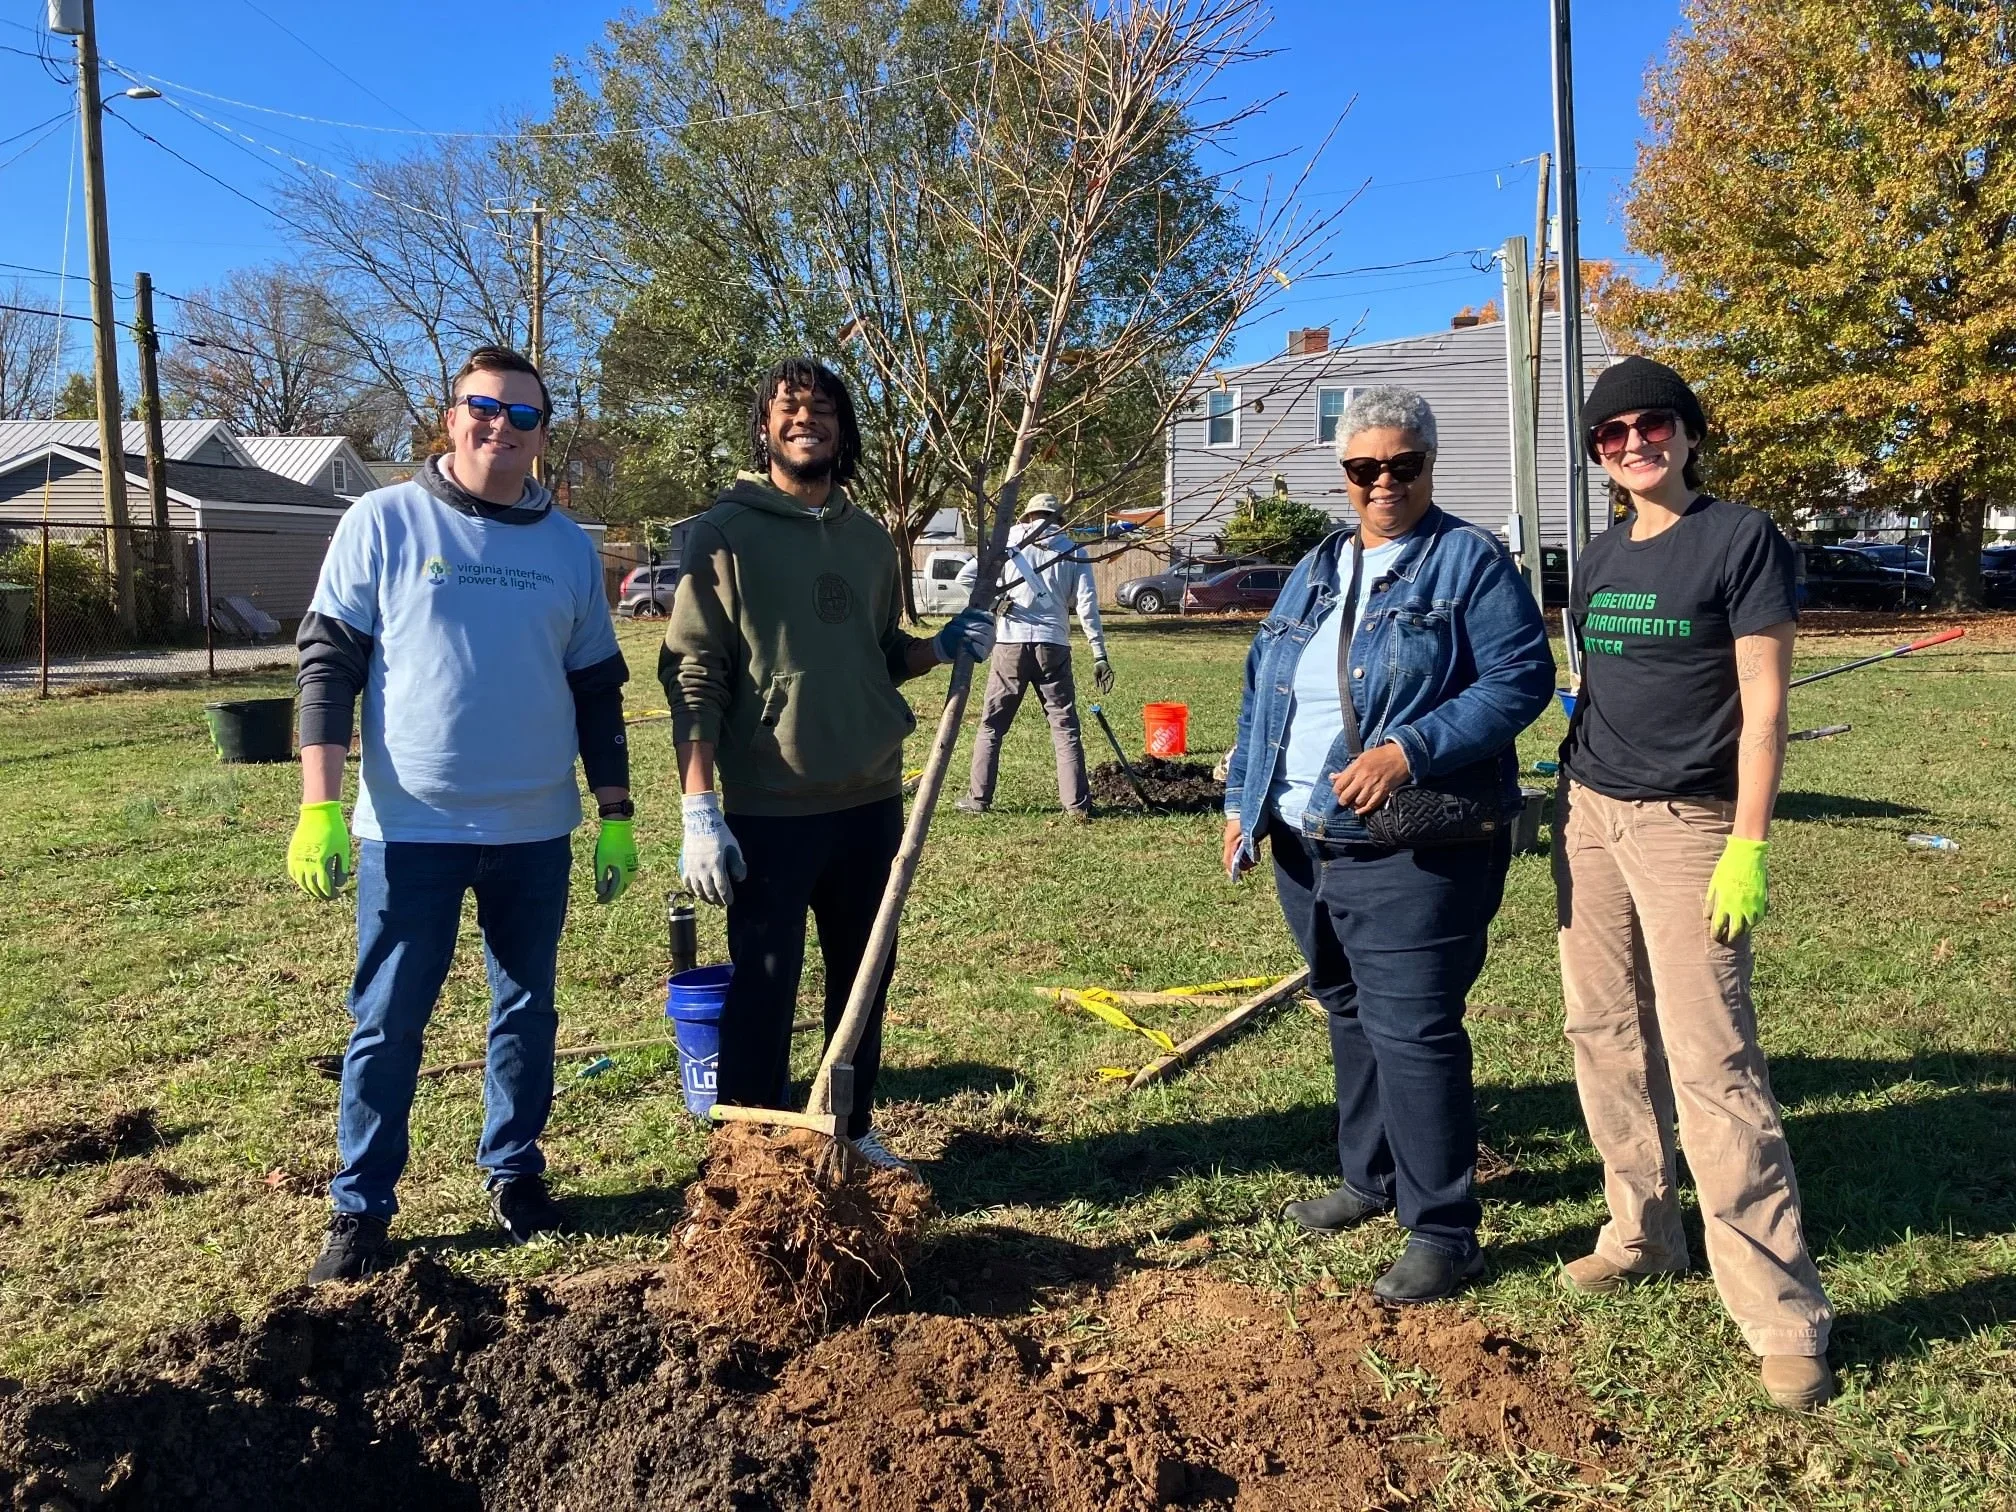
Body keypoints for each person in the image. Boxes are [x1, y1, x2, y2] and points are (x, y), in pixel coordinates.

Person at [287, 345, 637, 1283]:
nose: (501, 427)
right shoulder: (382, 521)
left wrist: (615, 812)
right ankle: (361, 1206)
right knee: (388, 1021)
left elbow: (598, 690)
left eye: (523, 416)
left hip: (534, 833)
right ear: (451, 418)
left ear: (541, 434)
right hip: (410, 834)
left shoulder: (567, 547)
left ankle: (515, 1173)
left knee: (527, 1012)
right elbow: (327, 665)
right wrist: (321, 803)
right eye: (484, 409)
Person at [1222, 386, 1554, 1303]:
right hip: (1304, 839)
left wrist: (1410, 750)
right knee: (1346, 1007)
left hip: (1410, 844)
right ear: (1344, 474)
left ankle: (1444, 1229)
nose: (1382, 484)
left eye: (1401, 466)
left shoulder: (1466, 563)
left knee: (1413, 1029)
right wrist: (1241, 802)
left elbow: (1523, 679)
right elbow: (1265, 685)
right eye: (1364, 469)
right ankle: (1367, 1178)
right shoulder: (1319, 566)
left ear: (1429, 465)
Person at [1554, 356, 1834, 1410]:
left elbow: (1764, 706)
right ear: (1596, 453)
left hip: (1690, 829)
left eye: (1653, 424)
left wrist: (1747, 844)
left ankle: (1781, 1312)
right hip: (1590, 817)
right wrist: (1576, 763)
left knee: (1713, 1062)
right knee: (1601, 1032)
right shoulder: (1598, 554)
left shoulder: (1740, 540)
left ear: (1688, 431)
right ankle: (1642, 1229)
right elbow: (1599, 682)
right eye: (1612, 433)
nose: (1635, 442)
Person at [660, 358, 993, 1169]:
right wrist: (698, 806)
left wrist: (938, 649)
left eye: (821, 409)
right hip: (771, 808)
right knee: (765, 990)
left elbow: (878, 654)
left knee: (864, 978)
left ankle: (847, 1128)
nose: (804, 419)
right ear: (765, 429)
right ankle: (746, 1149)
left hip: (871, 800)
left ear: (842, 430)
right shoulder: (725, 535)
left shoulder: (870, 539)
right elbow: (694, 671)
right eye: (787, 408)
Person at [954, 493, 1114, 819]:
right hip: (1054, 646)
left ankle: (979, 799)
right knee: (1065, 728)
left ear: (1027, 515)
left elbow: (966, 576)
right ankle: (1077, 806)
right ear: (1057, 518)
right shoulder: (1073, 550)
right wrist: (1099, 654)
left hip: (1010, 646)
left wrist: (997, 603)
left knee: (991, 727)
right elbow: (1086, 607)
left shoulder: (1008, 543)